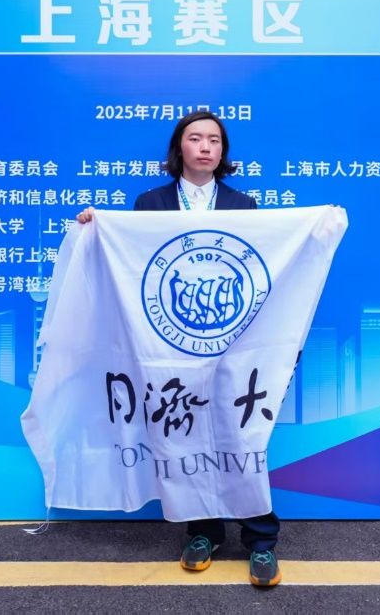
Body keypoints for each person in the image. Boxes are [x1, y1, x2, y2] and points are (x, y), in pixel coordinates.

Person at [76, 110, 282, 588]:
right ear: (179, 148)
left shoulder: (243, 205)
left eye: (215, 140)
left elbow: (262, 268)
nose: (206, 147)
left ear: (223, 151)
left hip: (231, 342)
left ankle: (261, 538)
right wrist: (96, 225)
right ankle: (202, 533)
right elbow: (130, 262)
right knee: (184, 434)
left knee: (240, 435)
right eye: (195, 138)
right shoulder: (150, 203)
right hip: (170, 343)